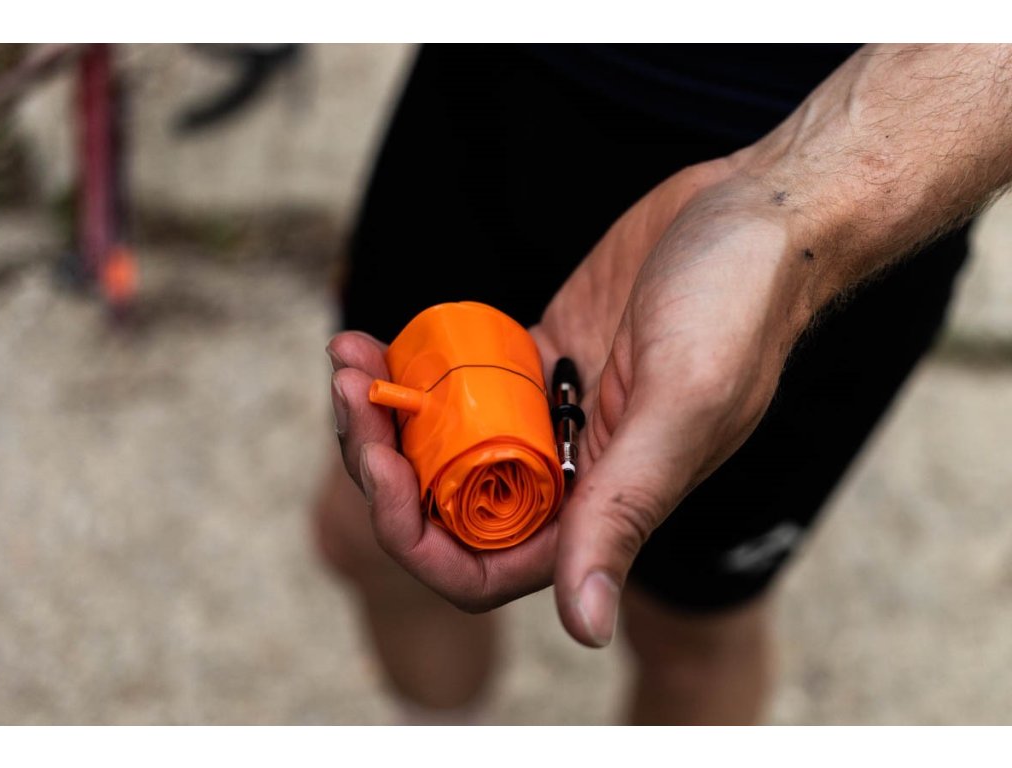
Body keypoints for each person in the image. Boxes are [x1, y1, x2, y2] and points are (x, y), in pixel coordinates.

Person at [312, 44, 1012, 724]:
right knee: (369, 535)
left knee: (687, 632)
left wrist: (798, 203)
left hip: (850, 158)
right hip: (502, 84)